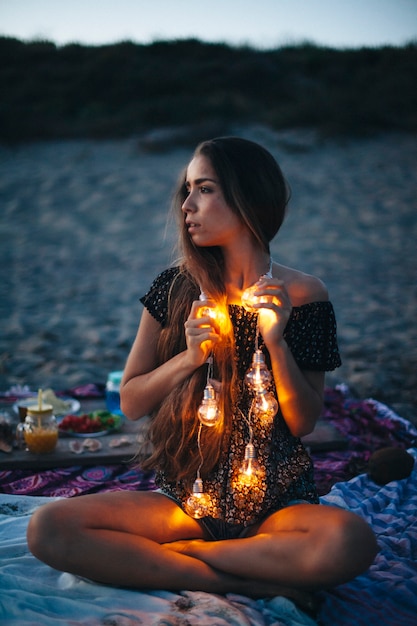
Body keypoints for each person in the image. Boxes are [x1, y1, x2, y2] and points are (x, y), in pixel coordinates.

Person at [27, 137, 377, 608]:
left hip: (275, 509)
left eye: (205, 189)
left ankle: (188, 559)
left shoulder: (306, 295)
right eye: (187, 190)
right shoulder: (173, 288)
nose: (187, 205)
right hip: (185, 504)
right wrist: (189, 358)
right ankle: (242, 577)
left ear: (248, 197)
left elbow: (304, 422)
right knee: (48, 528)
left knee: (351, 542)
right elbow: (131, 401)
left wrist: (275, 341)